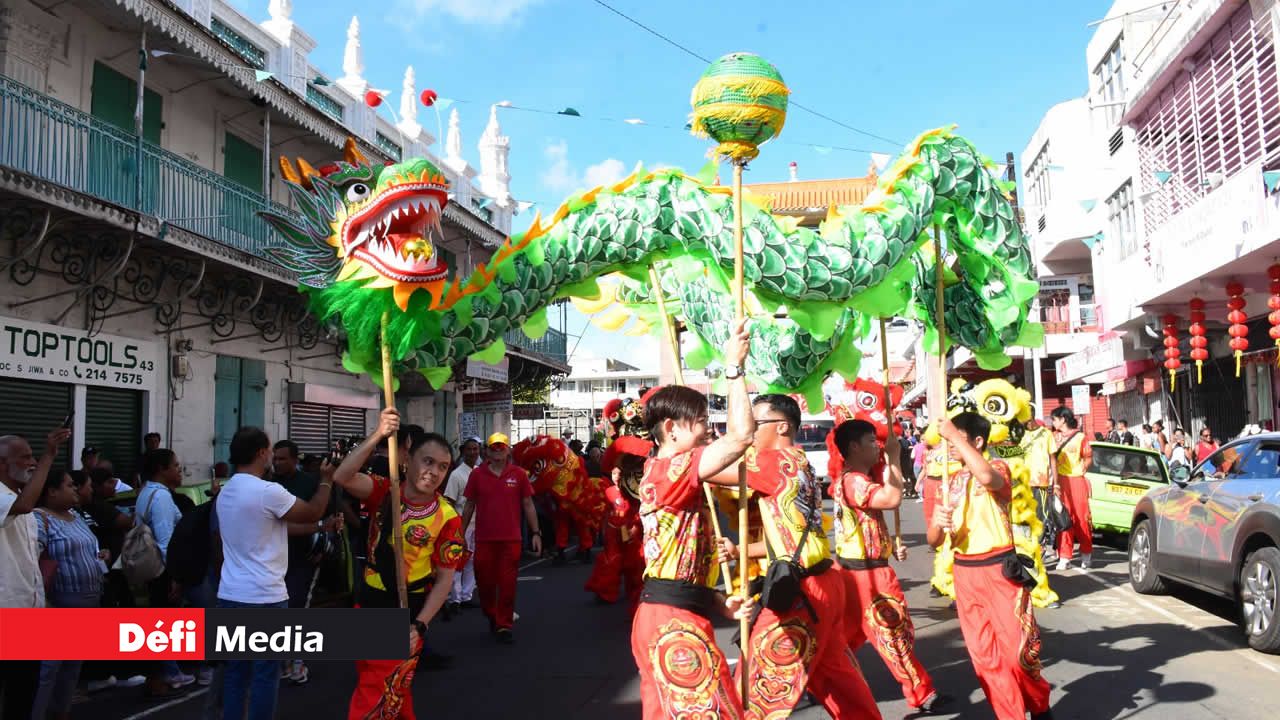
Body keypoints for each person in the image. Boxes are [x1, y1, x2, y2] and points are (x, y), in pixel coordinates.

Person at [717, 398, 885, 719]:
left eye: (756, 424)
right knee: (839, 680)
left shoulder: (773, 462)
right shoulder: (799, 460)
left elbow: (708, 470)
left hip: (803, 593)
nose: (750, 431)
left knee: (755, 689)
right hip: (821, 581)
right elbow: (789, 536)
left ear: (782, 426)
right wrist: (739, 551)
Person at [630, 318, 755, 720]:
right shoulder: (670, 471)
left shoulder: (664, 471)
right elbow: (741, 437)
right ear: (670, 428)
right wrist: (734, 368)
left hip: (671, 612)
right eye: (701, 421)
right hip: (671, 621)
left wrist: (717, 601)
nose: (707, 430)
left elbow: (674, 569)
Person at [333, 411, 466, 719]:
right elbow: (342, 477)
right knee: (391, 689)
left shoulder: (448, 518)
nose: (434, 472)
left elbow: (445, 580)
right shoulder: (385, 491)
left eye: (443, 466)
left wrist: (420, 625)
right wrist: (379, 434)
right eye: (428, 461)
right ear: (407, 460)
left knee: (377, 694)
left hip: (404, 612)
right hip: (366, 602)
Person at [927, 413, 1053, 720]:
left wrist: (952, 435)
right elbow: (933, 540)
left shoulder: (997, 467)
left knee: (1018, 653)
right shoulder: (949, 482)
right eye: (949, 439)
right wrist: (937, 523)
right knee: (985, 659)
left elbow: (986, 478)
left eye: (958, 438)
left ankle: (1039, 705)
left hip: (999, 570)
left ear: (978, 441)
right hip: (965, 573)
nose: (950, 444)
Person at [216, 427, 333, 720]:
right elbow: (313, 511)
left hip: (230, 595)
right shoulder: (267, 492)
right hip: (265, 597)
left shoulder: (227, 490)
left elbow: (281, 526)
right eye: (269, 450)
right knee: (265, 675)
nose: (272, 456)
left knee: (236, 674)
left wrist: (320, 527)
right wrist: (327, 480)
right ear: (260, 453)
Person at [831, 418, 945, 714]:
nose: (877, 447)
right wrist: (895, 458)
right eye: (871, 441)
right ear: (854, 447)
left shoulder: (854, 478)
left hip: (856, 570)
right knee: (894, 634)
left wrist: (889, 547)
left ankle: (826, 679)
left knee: (845, 638)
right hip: (868, 576)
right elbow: (892, 499)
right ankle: (921, 692)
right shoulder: (854, 481)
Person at [0, 428, 67, 720]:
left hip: (27, 613)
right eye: (25, 457)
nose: (32, 462)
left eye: (34, 456)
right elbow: (25, 505)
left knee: (23, 692)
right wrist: (49, 456)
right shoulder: (13, 500)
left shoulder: (17, 498)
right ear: (2, 463)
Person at [32, 467, 109, 720]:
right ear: (52, 491)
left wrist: (101, 555)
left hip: (88, 601)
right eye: (68, 485)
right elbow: (32, 559)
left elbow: (87, 546)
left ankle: (60, 712)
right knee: (49, 667)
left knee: (72, 664)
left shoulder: (75, 516)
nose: (74, 488)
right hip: (59, 604)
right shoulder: (40, 519)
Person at [460, 433, 542, 644]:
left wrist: (536, 533)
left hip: (511, 539)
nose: (498, 451)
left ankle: (504, 624)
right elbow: (469, 505)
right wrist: (459, 533)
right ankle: (492, 614)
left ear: (508, 450)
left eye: (501, 447)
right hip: (484, 539)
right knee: (484, 583)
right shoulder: (477, 475)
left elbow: (528, 504)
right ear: (487, 451)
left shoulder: (519, 474)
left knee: (507, 584)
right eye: (493, 447)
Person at [137, 448, 195, 693]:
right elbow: (166, 540)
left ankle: (166, 671)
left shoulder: (148, 492)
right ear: (162, 470)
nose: (179, 470)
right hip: (162, 569)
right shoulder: (160, 496)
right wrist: (174, 575)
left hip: (154, 568)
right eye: (175, 466)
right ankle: (169, 672)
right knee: (164, 622)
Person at [1049, 408, 1092, 571]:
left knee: (1081, 518)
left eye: (1054, 419)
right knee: (1063, 519)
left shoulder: (1080, 437)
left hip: (1076, 480)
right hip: (1059, 481)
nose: (1053, 422)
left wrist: (1083, 469)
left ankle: (1086, 552)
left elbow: (1088, 457)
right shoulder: (1053, 437)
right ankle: (1065, 556)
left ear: (1063, 419)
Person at [443, 436, 482, 612]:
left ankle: (467, 595)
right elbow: (449, 501)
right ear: (463, 452)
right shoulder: (456, 474)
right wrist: (455, 526)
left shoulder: (480, 472)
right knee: (457, 561)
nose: (473, 452)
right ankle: (455, 599)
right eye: (469, 449)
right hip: (461, 524)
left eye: (475, 449)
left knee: (472, 561)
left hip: (478, 524)